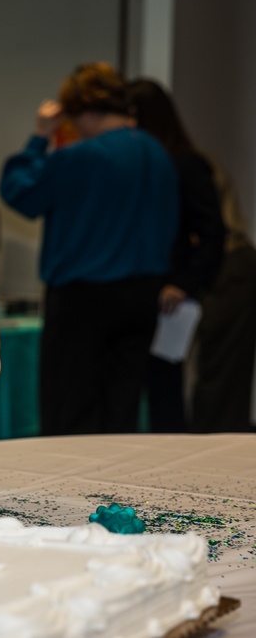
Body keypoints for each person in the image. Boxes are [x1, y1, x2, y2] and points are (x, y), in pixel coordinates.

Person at [0, 62, 178, 436]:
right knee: (122, 408)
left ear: (85, 111)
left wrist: (39, 136)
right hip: (143, 297)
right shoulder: (158, 154)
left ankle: (70, 493)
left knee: (71, 412)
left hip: (84, 302)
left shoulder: (80, 157)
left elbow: (20, 192)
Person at [126, 78, 225, 433]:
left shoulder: (185, 164)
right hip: (139, 290)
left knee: (164, 391)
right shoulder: (138, 163)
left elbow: (213, 233)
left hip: (170, 299)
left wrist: (183, 283)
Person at [191, 160, 256, 432]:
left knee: (222, 376)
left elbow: (212, 231)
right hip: (225, 263)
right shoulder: (199, 164)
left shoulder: (192, 167)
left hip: (227, 264)